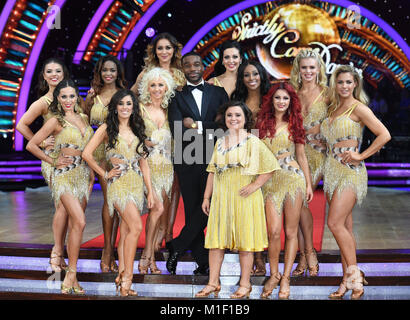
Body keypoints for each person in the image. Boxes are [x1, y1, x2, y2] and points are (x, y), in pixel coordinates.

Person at [195, 101, 280, 299]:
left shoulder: (253, 141)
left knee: (244, 242)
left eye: (238, 115)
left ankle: (244, 284)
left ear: (245, 119)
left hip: (245, 198)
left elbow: (270, 168)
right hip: (222, 198)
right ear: (224, 119)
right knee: (216, 241)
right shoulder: (220, 142)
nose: (233, 119)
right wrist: (207, 196)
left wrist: (254, 185)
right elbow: (212, 172)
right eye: (230, 115)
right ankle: (213, 282)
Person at [321, 65, 390, 299]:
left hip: (351, 171)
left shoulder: (359, 108)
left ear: (355, 84)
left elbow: (384, 134)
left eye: (348, 82)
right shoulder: (332, 107)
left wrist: (361, 155)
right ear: (335, 84)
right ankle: (346, 281)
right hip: (331, 172)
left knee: (334, 224)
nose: (344, 86)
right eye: (340, 82)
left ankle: (355, 277)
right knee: (345, 230)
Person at [83, 89, 154, 296]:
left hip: (136, 184)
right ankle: (127, 280)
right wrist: (104, 174)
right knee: (135, 227)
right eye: (121, 104)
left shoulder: (138, 128)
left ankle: (122, 274)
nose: (125, 107)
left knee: (126, 232)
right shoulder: (107, 128)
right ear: (115, 107)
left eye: (128, 104)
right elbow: (87, 154)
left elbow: (144, 163)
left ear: (133, 108)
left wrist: (150, 191)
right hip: (118, 184)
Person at [26, 79, 94, 294]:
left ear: (76, 98)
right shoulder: (55, 121)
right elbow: (32, 144)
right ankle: (70, 274)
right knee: (81, 221)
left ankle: (71, 276)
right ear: (58, 99)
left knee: (76, 225)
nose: (67, 100)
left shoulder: (84, 118)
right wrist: (53, 161)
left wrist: (92, 177)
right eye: (63, 96)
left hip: (83, 176)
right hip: (63, 174)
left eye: (71, 96)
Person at [166, 51, 229, 275]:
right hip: (187, 159)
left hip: (214, 159)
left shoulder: (219, 93)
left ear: (204, 67)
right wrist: (206, 125)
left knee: (209, 208)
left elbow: (225, 127)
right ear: (182, 69)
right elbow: (176, 129)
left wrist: (196, 126)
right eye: (187, 65)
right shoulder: (175, 96)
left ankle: (177, 245)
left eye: (196, 64)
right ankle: (203, 263)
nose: (192, 68)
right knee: (194, 210)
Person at [256, 83, 313, 299]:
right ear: (271, 100)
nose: (281, 102)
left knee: (290, 232)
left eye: (286, 99)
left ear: (291, 102)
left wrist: (308, 183)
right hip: (269, 182)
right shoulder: (261, 123)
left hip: (293, 179)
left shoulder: (295, 124)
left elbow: (302, 156)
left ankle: (286, 278)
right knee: (272, 232)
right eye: (278, 98)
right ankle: (274, 274)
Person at [131, 33, 185, 250]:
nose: (164, 52)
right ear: (155, 51)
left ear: (174, 50)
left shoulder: (180, 76)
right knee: (158, 197)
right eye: (160, 48)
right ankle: (156, 239)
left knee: (173, 192)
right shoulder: (146, 74)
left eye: (168, 48)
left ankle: (168, 233)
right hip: (152, 144)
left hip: (174, 139)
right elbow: (130, 99)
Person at [16, 58, 70, 273]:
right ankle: (56, 253)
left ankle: (61, 252)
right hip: (53, 160)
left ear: (64, 73)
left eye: (58, 70)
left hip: (73, 161)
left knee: (69, 208)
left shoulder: (70, 96)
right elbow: (21, 124)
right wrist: (40, 142)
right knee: (62, 205)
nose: (54, 74)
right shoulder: (44, 102)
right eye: (50, 71)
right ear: (44, 76)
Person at [84, 54, 127, 273]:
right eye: (104, 70)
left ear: (118, 72)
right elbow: (81, 123)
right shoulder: (93, 96)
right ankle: (107, 250)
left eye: (112, 70)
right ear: (99, 73)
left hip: (119, 153)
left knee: (118, 201)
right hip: (99, 153)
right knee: (109, 200)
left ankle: (113, 249)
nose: (108, 74)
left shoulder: (124, 95)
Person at [289, 48, 328, 276]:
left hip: (316, 155)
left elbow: (340, 118)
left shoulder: (328, 93)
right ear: (298, 69)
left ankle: (308, 253)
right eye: (304, 67)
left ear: (319, 69)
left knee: (302, 201)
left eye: (312, 67)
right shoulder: (292, 92)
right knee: (296, 204)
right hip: (293, 154)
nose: (308, 71)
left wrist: (323, 131)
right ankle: (304, 255)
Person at [231, 59, 271, 275]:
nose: (251, 78)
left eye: (255, 74)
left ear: (261, 75)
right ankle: (250, 253)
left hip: (267, 155)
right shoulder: (236, 99)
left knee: (264, 208)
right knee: (248, 209)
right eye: (246, 75)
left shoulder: (270, 98)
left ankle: (260, 255)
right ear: (241, 78)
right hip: (244, 157)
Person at [137, 67, 176, 274]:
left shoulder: (171, 110)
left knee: (159, 213)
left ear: (167, 87)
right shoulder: (140, 109)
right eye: (153, 85)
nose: (157, 89)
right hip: (147, 166)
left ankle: (151, 258)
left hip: (167, 168)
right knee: (157, 208)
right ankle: (146, 255)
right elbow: (132, 136)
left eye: (161, 85)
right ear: (147, 87)